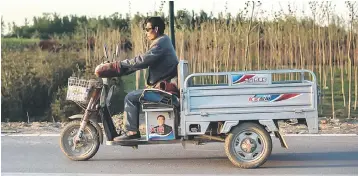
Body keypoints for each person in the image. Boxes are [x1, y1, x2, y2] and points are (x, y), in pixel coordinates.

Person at [113, 17, 179, 141]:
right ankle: (132, 129)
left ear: (156, 29)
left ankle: (132, 132)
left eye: (148, 29)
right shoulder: (164, 41)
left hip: (163, 93)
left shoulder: (160, 42)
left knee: (130, 97)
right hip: (163, 88)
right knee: (134, 95)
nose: (146, 32)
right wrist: (124, 69)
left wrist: (120, 65)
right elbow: (143, 63)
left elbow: (144, 60)